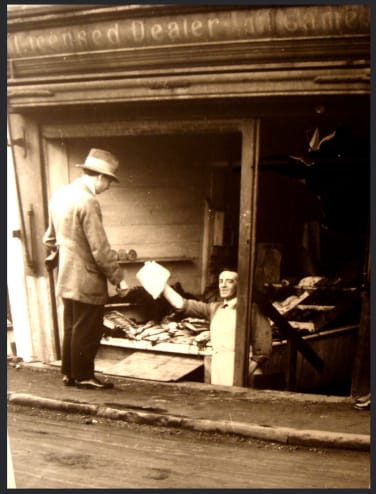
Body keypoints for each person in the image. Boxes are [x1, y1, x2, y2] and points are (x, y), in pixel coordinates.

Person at [43, 148, 128, 390]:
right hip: (87, 279)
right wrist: (118, 278)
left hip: (66, 277)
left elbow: (49, 239)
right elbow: (100, 248)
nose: (109, 187)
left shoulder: (60, 195)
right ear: (100, 177)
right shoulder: (89, 201)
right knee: (88, 329)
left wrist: (66, 256)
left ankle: (69, 373)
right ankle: (84, 377)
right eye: (109, 181)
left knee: (71, 326)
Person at [162, 269, 272, 386]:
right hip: (218, 365)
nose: (223, 285)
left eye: (229, 281)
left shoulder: (252, 309)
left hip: (241, 366)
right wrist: (162, 286)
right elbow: (184, 305)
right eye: (220, 281)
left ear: (239, 285)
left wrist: (246, 371)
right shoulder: (214, 308)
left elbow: (262, 347)